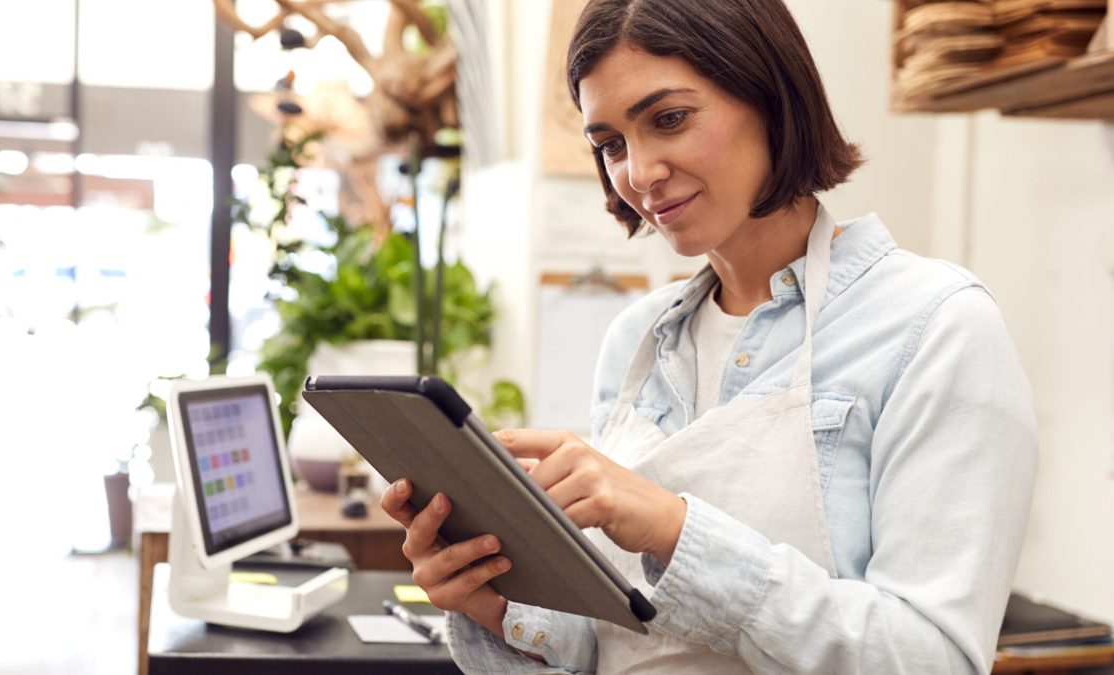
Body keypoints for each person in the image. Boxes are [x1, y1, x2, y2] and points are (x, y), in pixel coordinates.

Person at [380, 0, 1037, 672]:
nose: (638, 172)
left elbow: (936, 660)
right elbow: (620, 644)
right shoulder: (637, 340)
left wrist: (675, 528)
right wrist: (500, 604)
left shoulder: (936, 326)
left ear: (771, 95)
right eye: (610, 144)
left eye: (669, 119)